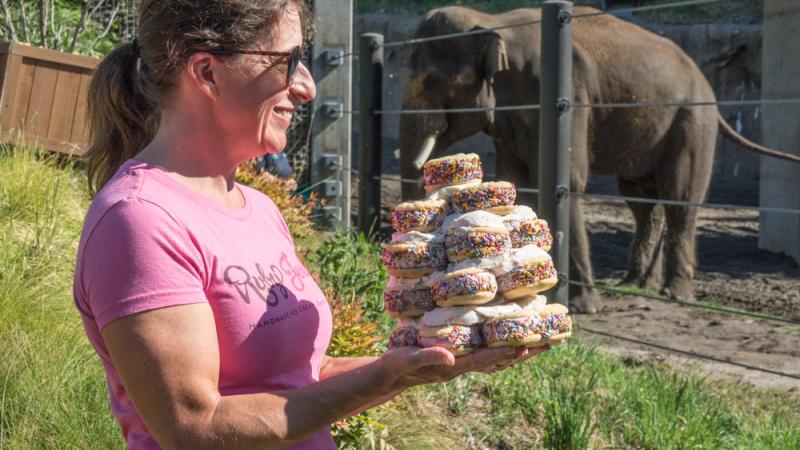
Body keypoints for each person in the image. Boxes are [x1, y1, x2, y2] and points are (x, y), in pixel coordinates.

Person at [73, 1, 549, 449]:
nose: (306, 86)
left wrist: (422, 364)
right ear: (206, 73)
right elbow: (194, 426)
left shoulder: (257, 207)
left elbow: (300, 379)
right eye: (287, 61)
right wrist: (387, 376)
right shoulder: (139, 221)